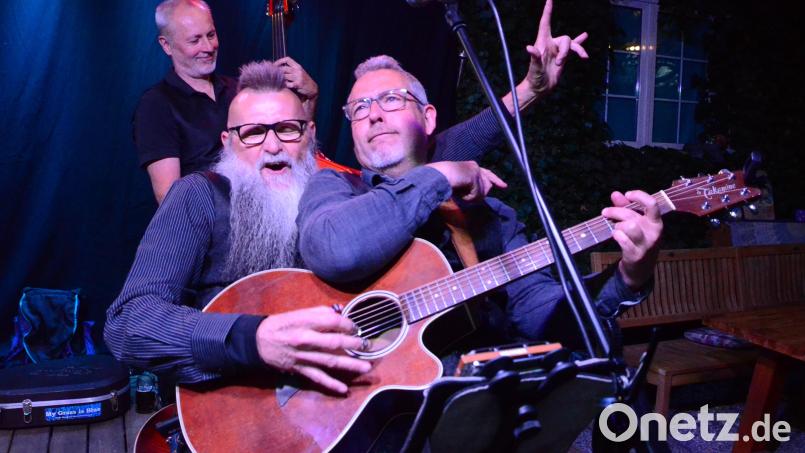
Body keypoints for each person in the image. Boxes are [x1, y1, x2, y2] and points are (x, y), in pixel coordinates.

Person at [296, 43, 663, 354]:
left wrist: (629, 276)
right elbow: (335, 250)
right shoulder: (335, 188)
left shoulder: (490, 215)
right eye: (359, 108)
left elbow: (539, 310)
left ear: (427, 118)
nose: (373, 115)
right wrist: (440, 174)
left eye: (391, 100)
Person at [108, 61, 369, 393]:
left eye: (288, 128)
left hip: (342, 405)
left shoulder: (343, 194)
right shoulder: (198, 196)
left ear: (310, 134)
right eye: (253, 132)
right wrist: (251, 340)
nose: (273, 146)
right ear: (228, 141)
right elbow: (129, 323)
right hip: (237, 410)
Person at [134, 0, 320, 204]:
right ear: (166, 45)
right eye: (195, 40)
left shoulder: (240, 91)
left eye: (211, 35)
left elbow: (295, 146)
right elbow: (169, 198)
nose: (208, 47)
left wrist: (309, 98)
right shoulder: (156, 105)